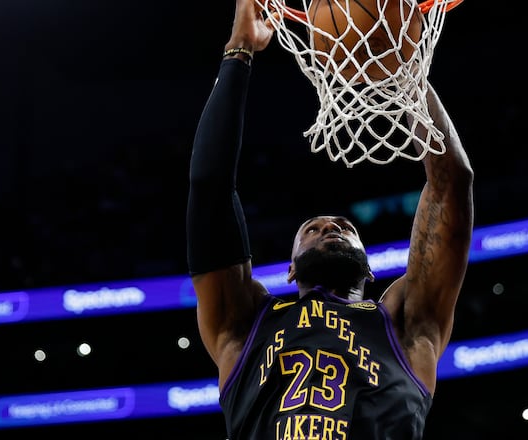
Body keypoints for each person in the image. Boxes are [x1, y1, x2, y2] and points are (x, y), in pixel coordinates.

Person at [186, 0, 474, 438]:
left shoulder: (405, 323)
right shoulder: (245, 323)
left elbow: (452, 183)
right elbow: (209, 187)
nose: (329, 227)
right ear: (289, 269)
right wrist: (238, 49)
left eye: (344, 228)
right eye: (312, 230)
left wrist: (405, 78)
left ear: (370, 266)